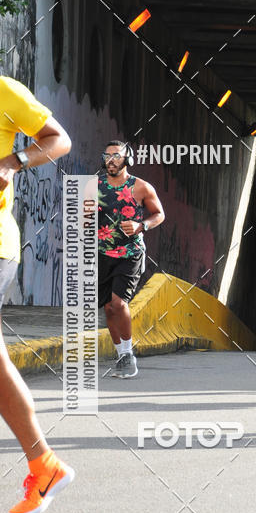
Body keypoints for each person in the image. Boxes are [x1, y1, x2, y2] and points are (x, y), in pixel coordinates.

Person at [0, 76, 73, 513]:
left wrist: (14, 161)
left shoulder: (1, 91)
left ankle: (45, 464)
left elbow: (58, 139)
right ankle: (45, 465)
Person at [98, 141, 165, 378]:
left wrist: (141, 225)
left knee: (118, 304)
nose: (111, 160)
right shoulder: (93, 186)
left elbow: (159, 214)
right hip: (102, 254)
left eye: (116, 156)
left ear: (128, 159)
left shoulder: (141, 187)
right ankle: (121, 355)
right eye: (107, 156)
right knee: (107, 308)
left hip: (130, 253)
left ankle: (128, 355)